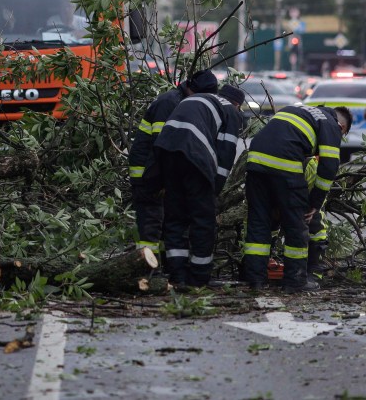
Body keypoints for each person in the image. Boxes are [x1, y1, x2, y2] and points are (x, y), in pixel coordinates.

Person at [241, 104, 351, 293]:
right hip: (286, 165)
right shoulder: (331, 125)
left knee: (259, 222)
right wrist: (314, 204)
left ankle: (254, 280)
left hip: (255, 162)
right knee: (296, 224)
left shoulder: (296, 110)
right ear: (341, 128)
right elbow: (328, 168)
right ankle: (295, 282)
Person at [154, 84, 245, 289]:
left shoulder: (200, 98)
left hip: (166, 151)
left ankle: (176, 274)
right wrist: (214, 190)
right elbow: (226, 154)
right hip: (194, 156)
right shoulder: (231, 111)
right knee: (202, 219)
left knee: (175, 216)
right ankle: (199, 277)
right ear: (237, 104)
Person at [127, 69, 219, 254]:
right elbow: (161, 146)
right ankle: (145, 267)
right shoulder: (170, 103)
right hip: (147, 174)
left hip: (157, 172)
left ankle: (162, 268)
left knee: (166, 223)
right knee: (151, 225)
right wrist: (158, 180)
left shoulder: (182, 102)